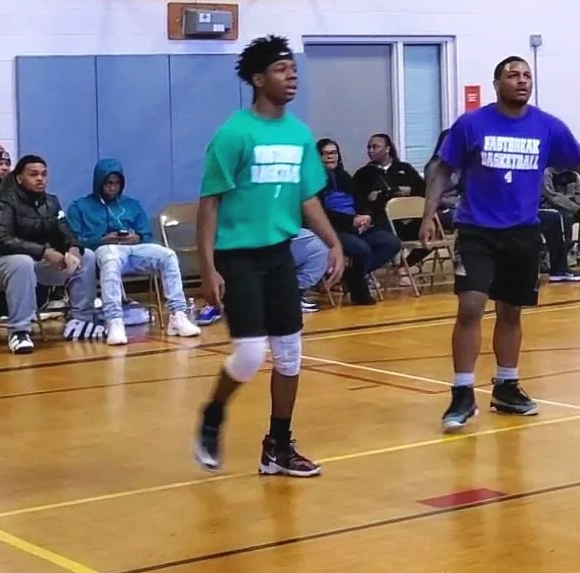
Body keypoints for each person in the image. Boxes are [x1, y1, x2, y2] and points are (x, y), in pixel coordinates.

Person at [424, 55, 580, 431]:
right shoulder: (471, 124)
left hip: (522, 232)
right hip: (476, 230)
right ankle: (463, 392)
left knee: (511, 312)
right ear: (496, 83)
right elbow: (442, 169)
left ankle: (506, 385)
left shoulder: (548, 127)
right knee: (471, 306)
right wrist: (427, 216)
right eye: (512, 75)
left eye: (526, 75)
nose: (521, 80)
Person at [193, 35, 346, 478]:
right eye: (281, 69)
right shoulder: (234, 133)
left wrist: (333, 242)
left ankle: (278, 446)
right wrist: (207, 268)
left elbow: (306, 198)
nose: (291, 75)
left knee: (290, 354)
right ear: (258, 80)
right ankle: (213, 413)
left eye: (292, 67)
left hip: (279, 253)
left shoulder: (299, 134)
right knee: (247, 355)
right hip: (237, 257)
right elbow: (210, 203)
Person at [0, 156, 104, 350]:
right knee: (22, 262)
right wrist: (44, 252)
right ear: (18, 178)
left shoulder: (51, 202)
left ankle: (81, 321)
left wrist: (73, 249)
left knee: (87, 257)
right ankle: (19, 331)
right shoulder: (1, 201)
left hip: (30, 260)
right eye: (33, 174)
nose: (40, 179)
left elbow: (66, 233)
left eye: (44, 174)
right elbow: (1, 240)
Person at [67, 157, 201, 345]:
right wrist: (101, 240)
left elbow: (146, 234)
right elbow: (75, 240)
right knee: (111, 256)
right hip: (103, 251)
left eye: (116, 183)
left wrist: (136, 238)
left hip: (134, 250)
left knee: (168, 255)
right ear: (99, 183)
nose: (112, 188)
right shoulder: (80, 207)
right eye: (108, 183)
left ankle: (178, 315)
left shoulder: (132, 205)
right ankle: (114, 320)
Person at [317, 138, 401, 305]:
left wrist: (366, 215)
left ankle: (350, 275)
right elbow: (321, 214)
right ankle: (358, 289)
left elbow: (360, 201)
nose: (330, 157)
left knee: (391, 242)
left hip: (356, 226)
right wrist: (351, 221)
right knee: (361, 249)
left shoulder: (345, 177)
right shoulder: (313, 182)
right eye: (325, 154)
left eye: (333, 153)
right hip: (333, 230)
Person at [352, 133, 427, 239]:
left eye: (375, 147)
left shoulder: (404, 168)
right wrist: (371, 198)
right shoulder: (363, 173)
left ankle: (412, 257)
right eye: (369, 147)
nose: (370, 151)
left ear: (387, 149)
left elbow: (424, 189)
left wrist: (409, 190)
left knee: (429, 232)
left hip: (409, 218)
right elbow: (357, 198)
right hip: (381, 221)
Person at [539, 166, 580, 281]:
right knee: (565, 218)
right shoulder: (547, 173)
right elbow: (553, 197)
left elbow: (579, 193)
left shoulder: (573, 173)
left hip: (573, 207)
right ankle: (565, 254)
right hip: (552, 207)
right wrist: (576, 208)